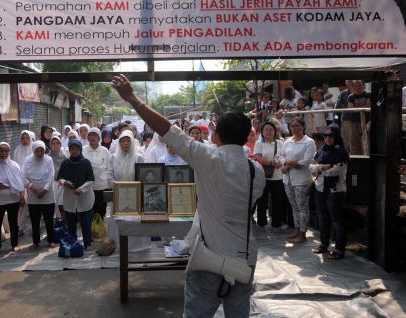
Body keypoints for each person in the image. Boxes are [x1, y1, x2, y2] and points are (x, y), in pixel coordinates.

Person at [111, 74, 266, 317]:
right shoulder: (256, 171)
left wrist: (132, 98)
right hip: (244, 258)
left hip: (208, 259)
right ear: (248, 137)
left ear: (215, 136)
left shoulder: (208, 159)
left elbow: (168, 131)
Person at [310, 124, 350, 260]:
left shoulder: (342, 153)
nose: (327, 138)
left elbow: (334, 172)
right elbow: (311, 167)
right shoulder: (321, 150)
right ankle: (324, 244)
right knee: (322, 217)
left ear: (337, 136)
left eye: (331, 135)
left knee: (337, 221)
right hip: (320, 188)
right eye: (325, 135)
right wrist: (323, 166)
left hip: (335, 190)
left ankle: (339, 249)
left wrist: (319, 168)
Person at [279, 117, 317, 244]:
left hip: (301, 179)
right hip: (288, 179)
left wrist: (287, 164)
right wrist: (289, 163)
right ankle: (296, 230)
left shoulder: (309, 142)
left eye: (297, 126)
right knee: (294, 207)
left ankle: (303, 233)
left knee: (302, 207)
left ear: (303, 126)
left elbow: (306, 161)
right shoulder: (288, 141)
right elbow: (281, 157)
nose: (294, 128)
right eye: (292, 126)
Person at [56, 140, 95, 251]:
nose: (74, 151)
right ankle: (73, 242)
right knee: (71, 221)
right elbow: (60, 177)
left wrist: (81, 189)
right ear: (69, 150)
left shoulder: (86, 162)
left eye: (77, 149)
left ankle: (87, 243)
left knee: (86, 221)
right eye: (72, 149)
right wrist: (65, 182)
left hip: (84, 196)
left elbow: (91, 180)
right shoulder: (66, 163)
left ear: (80, 149)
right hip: (70, 196)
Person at [0, 142, 25, 253]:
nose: (4, 153)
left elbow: (19, 182)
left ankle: (14, 244)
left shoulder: (14, 165)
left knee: (13, 222)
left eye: (6, 151)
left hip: (13, 199)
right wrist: (5, 185)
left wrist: (22, 195)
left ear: (9, 152)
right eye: (1, 151)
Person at [22, 141, 57, 249]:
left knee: (49, 219)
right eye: (37, 150)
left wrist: (44, 190)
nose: (39, 153)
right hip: (33, 195)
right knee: (35, 220)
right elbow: (23, 176)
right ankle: (35, 241)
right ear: (33, 151)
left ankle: (51, 240)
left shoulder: (49, 160)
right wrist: (33, 188)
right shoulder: (27, 161)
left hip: (47, 195)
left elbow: (51, 175)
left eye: (42, 150)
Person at [254, 122, 284, 234]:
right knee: (262, 200)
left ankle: (276, 224)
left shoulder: (281, 143)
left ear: (275, 131)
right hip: (264, 176)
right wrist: (272, 163)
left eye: (270, 129)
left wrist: (280, 163)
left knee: (277, 201)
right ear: (262, 131)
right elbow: (258, 158)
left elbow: (284, 156)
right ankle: (261, 223)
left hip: (278, 176)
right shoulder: (259, 143)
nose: (268, 131)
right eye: (266, 129)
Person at [83, 128, 110, 220]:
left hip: (101, 186)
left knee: (100, 212)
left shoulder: (104, 150)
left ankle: (100, 232)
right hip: (87, 187)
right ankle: (88, 233)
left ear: (99, 137)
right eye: (90, 135)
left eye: (94, 135)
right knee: (88, 212)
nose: (92, 137)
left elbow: (108, 167)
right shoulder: (83, 150)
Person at [12, 130, 35, 237]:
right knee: (22, 205)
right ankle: (20, 227)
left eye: (27, 138)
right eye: (22, 138)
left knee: (35, 205)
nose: (25, 140)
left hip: (34, 182)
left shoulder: (35, 150)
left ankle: (37, 225)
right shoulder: (17, 151)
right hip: (21, 182)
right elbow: (14, 168)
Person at [348, 80, 371, 155]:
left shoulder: (368, 94)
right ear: (353, 87)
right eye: (356, 86)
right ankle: (355, 160)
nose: (358, 88)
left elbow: (369, 105)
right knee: (355, 143)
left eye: (360, 85)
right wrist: (363, 107)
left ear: (363, 85)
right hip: (355, 121)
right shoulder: (351, 97)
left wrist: (356, 108)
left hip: (367, 121)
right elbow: (351, 109)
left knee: (369, 141)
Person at [48, 134, 68, 220]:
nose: (56, 145)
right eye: (53, 143)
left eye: (57, 143)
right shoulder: (47, 157)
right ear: (50, 145)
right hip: (51, 183)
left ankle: (63, 223)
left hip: (62, 183)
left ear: (60, 144)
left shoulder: (65, 157)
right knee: (52, 205)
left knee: (62, 204)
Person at [337, 80, 354, 152]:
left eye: (351, 81)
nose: (349, 83)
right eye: (348, 81)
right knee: (346, 139)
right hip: (346, 118)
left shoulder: (359, 92)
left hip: (357, 118)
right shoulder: (343, 93)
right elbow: (342, 106)